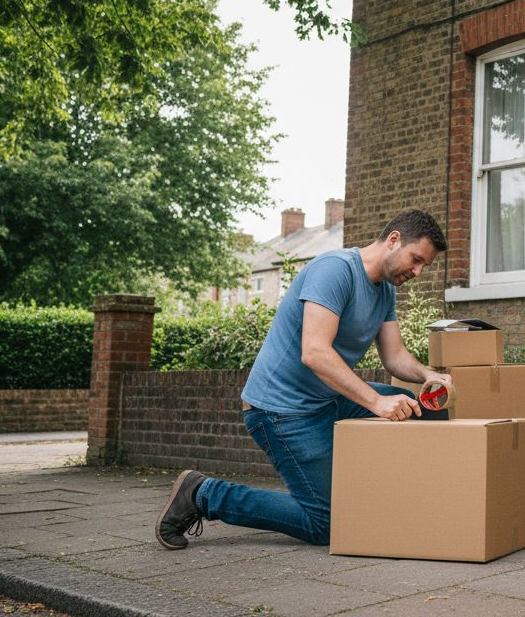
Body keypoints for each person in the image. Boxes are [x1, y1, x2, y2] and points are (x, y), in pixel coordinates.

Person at [154, 209, 453, 549]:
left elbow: (395, 356)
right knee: (326, 523)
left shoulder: (384, 291)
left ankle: (415, 508)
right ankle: (204, 494)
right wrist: (376, 401)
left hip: (326, 400)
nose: (417, 272)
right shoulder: (334, 270)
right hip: (281, 411)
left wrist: (430, 375)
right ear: (394, 239)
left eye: (424, 266)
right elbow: (314, 352)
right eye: (416, 260)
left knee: (423, 409)